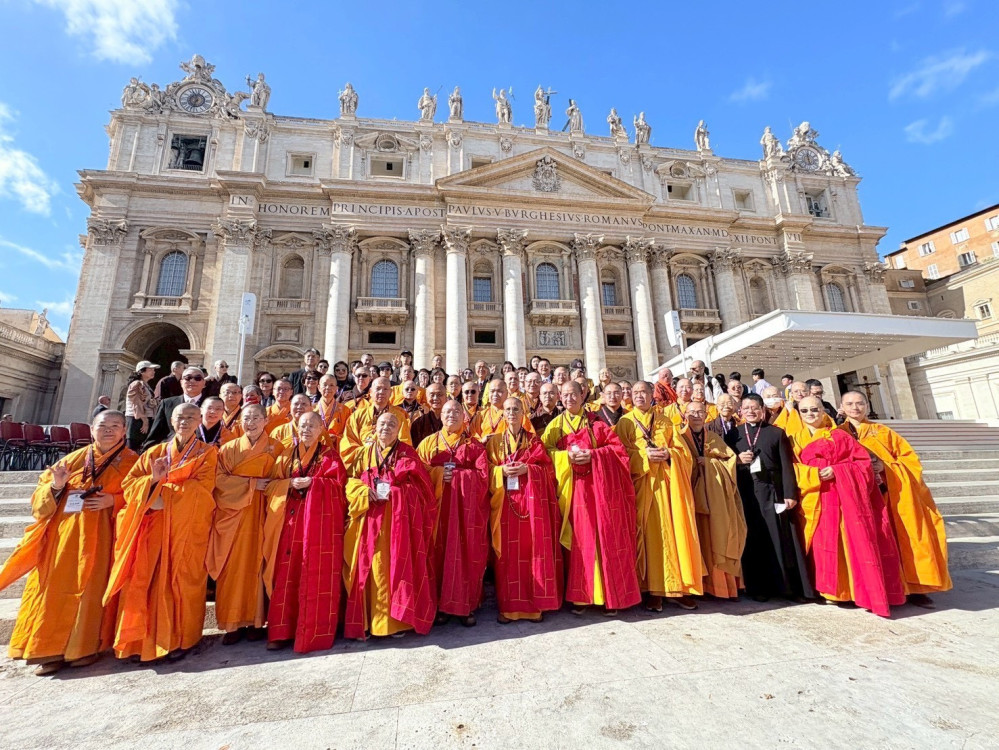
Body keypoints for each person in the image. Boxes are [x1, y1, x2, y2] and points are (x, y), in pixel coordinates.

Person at [0, 411, 137, 675]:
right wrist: (57, 485)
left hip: (104, 534)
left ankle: (86, 648)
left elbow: (140, 493)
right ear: (92, 429)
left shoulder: (133, 461)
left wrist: (114, 501)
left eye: (115, 426)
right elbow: (40, 501)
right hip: (65, 536)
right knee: (52, 589)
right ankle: (46, 649)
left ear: (123, 431)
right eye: (103, 426)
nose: (108, 431)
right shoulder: (72, 459)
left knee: (92, 591)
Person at [105, 403, 216, 662]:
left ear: (199, 420)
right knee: (144, 581)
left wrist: (162, 494)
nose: (185, 422)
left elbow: (204, 488)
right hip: (152, 529)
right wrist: (152, 483)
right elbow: (129, 483)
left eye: (190, 417)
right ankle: (138, 642)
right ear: (171, 420)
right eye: (180, 417)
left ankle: (180, 639)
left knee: (181, 581)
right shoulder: (154, 453)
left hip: (185, 530)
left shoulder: (208, 454)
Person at [792, 397, 905, 617]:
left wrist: (838, 471)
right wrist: (813, 474)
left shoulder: (841, 436)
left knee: (848, 545)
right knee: (822, 547)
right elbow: (792, 469)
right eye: (804, 410)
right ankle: (830, 591)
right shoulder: (794, 439)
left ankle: (854, 591)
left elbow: (862, 464)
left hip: (845, 499)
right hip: (816, 499)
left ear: (824, 410)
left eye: (814, 409)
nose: (810, 414)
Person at [839, 391, 951, 607]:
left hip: (890, 494)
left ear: (867, 405)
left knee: (904, 540)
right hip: (858, 497)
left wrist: (885, 468)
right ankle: (870, 591)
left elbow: (911, 462)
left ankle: (916, 588)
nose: (855, 408)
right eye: (850, 404)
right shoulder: (837, 434)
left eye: (860, 403)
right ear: (841, 407)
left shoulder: (884, 432)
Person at [540, 381, 641, 615]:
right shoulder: (555, 426)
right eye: (564, 395)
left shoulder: (597, 425)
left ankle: (608, 596)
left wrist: (594, 456)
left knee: (603, 539)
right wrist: (566, 458)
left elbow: (619, 453)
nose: (568, 399)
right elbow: (544, 455)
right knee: (580, 541)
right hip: (573, 492)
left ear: (582, 395)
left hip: (599, 491)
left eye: (572, 394)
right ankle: (582, 595)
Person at [343, 412, 438, 639]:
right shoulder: (364, 453)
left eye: (392, 424)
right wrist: (363, 491)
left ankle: (397, 622)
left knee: (396, 566)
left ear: (399, 430)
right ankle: (371, 621)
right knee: (371, 567)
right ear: (375, 426)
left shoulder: (408, 453)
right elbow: (349, 480)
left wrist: (396, 493)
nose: (386, 427)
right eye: (382, 423)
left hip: (399, 522)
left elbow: (423, 489)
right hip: (368, 517)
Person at [261, 412, 347, 652]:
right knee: (286, 574)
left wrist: (314, 484)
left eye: (312, 425)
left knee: (314, 573)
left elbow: (340, 488)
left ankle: (314, 630)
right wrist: (287, 484)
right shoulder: (287, 455)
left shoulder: (330, 457)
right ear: (296, 428)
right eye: (303, 425)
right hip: (288, 523)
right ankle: (280, 630)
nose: (307, 429)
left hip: (317, 526)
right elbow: (270, 486)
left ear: (322, 429)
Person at [617, 381, 702, 611]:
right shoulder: (624, 423)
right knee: (647, 535)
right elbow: (619, 455)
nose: (639, 396)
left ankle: (675, 587)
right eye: (635, 393)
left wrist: (668, 453)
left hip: (667, 485)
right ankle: (650, 589)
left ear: (651, 395)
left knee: (672, 534)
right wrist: (643, 456)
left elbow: (684, 453)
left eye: (643, 392)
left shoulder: (665, 422)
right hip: (641, 484)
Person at [208, 404, 284, 645]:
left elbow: (283, 477)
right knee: (233, 566)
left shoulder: (277, 447)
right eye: (247, 418)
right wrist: (252, 485)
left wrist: (265, 487)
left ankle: (256, 621)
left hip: (264, 512)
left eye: (256, 418)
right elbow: (219, 481)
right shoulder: (228, 449)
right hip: (235, 516)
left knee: (261, 563)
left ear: (265, 420)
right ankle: (231, 623)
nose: (251, 423)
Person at [485, 397, 563, 623]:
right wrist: (501, 471)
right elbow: (486, 470)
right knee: (506, 557)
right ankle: (508, 608)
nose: (511, 413)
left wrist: (527, 469)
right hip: (504, 504)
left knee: (531, 554)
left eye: (516, 409)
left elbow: (546, 469)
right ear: (503, 414)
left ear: (523, 412)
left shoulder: (533, 442)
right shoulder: (494, 442)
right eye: (507, 409)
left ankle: (533, 607)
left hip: (530, 505)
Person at [732, 394, 812, 602]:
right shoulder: (734, 435)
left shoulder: (776, 433)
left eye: (755, 407)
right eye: (746, 407)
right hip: (746, 493)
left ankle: (786, 588)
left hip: (773, 492)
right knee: (753, 540)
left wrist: (789, 494)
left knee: (781, 539)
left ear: (762, 410)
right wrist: (738, 461)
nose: (750, 411)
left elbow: (787, 465)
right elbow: (725, 462)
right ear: (740, 411)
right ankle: (758, 588)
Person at [418, 401, 490, 627]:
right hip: (438, 512)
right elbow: (418, 472)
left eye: (457, 411)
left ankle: (466, 605)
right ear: (440, 415)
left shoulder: (474, 445)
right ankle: (441, 605)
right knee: (438, 555)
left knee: (468, 553)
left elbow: (484, 477)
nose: (451, 415)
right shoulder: (428, 443)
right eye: (447, 411)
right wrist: (439, 475)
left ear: (464, 417)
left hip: (467, 513)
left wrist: (457, 477)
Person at [680, 400, 746, 600]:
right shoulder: (679, 437)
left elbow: (730, 460)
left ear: (706, 414)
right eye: (691, 412)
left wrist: (708, 463)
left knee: (716, 535)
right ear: (685, 415)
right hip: (689, 492)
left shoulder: (715, 437)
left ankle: (719, 587)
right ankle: (696, 585)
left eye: (700, 412)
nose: (696, 416)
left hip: (713, 495)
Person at [339, 376, 412, 472]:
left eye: (385, 389)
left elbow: (404, 445)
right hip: (362, 468)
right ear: (370, 392)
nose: (381, 392)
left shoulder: (399, 417)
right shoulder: (357, 416)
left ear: (391, 392)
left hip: (389, 467)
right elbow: (348, 446)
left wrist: (383, 456)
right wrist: (370, 454)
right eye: (378, 389)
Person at [142, 366, 206, 450]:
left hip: (201, 452)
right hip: (169, 451)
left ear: (204, 383)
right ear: (181, 382)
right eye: (188, 378)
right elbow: (155, 434)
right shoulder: (167, 403)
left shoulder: (213, 406)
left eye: (197, 378)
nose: (192, 381)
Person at [125, 360, 158, 451]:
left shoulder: (145, 385)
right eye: (151, 369)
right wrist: (145, 421)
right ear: (142, 371)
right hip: (137, 420)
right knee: (133, 447)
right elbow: (135, 403)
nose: (154, 371)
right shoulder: (137, 384)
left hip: (144, 418)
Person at [315, 374, 351, 442]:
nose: (328, 388)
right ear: (319, 388)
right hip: (317, 447)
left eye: (331, 385)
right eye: (325, 385)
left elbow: (349, 434)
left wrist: (337, 438)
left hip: (336, 449)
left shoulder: (345, 410)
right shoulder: (312, 408)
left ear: (336, 389)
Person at [411, 383, 446, 449]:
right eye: (432, 395)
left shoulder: (452, 421)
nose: (435, 398)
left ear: (446, 396)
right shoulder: (418, 423)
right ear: (427, 397)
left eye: (439, 394)